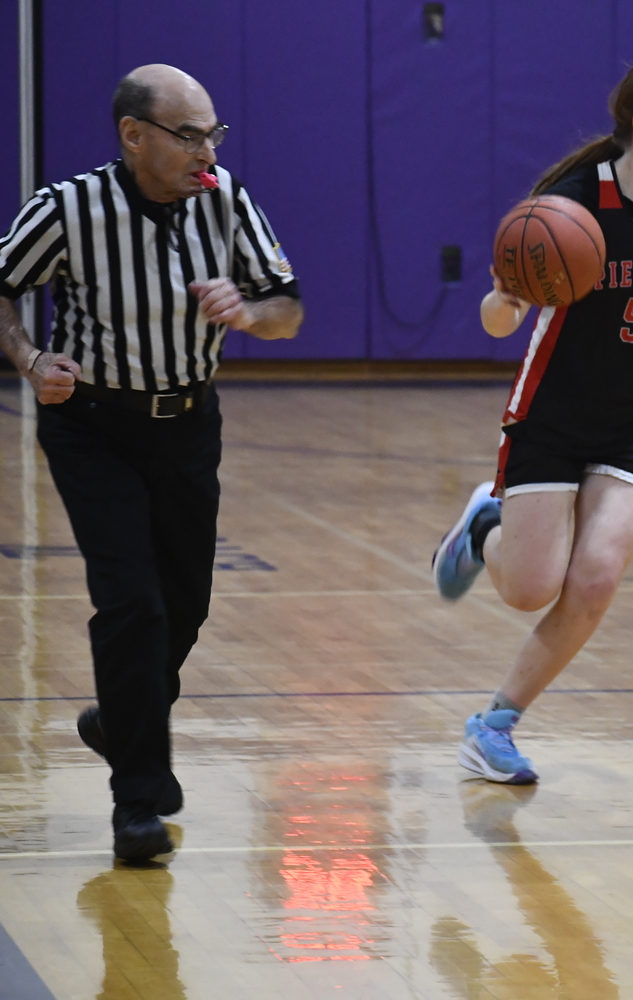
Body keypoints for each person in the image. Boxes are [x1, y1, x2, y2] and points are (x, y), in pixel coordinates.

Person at [0, 65, 303, 860]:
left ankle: (117, 720)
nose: (207, 148)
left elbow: (289, 309)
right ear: (134, 136)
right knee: (133, 604)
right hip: (93, 425)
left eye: (214, 132)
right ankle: (137, 801)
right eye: (190, 133)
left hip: (188, 425)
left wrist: (248, 312)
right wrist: (30, 358)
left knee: (186, 605)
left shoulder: (226, 198)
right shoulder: (68, 209)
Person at [430, 58, 633, 783]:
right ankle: (488, 526)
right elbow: (498, 318)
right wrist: (505, 301)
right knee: (530, 588)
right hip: (553, 414)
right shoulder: (570, 206)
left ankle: (494, 726)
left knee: (596, 579)